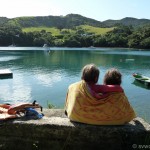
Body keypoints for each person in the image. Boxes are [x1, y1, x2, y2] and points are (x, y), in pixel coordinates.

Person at [65, 64, 136, 125]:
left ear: (82, 76)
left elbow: (67, 104)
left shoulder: (72, 87)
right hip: (115, 121)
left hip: (73, 116)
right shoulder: (117, 94)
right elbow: (117, 88)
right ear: (96, 79)